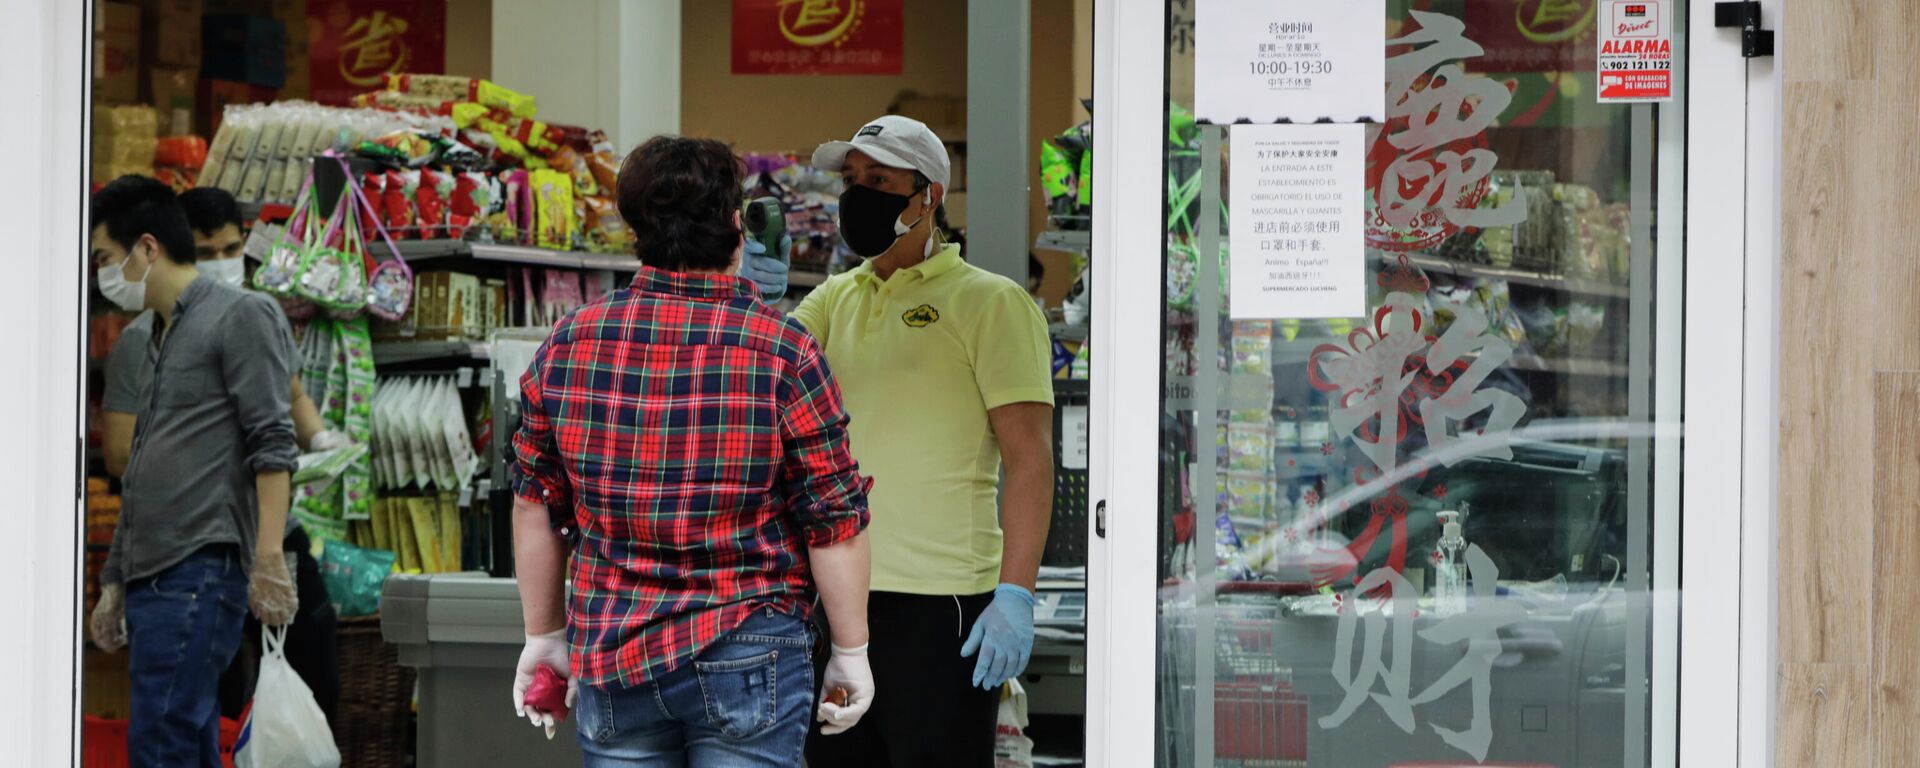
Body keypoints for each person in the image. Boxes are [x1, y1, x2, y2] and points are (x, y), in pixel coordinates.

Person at [509, 135, 876, 767]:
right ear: (738, 225)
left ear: (634, 228)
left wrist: (543, 636)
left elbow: (537, 504)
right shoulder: (782, 348)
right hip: (749, 644)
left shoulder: (567, 343)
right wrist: (851, 650)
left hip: (613, 646)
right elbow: (832, 520)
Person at [797, 115, 1057, 766]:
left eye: (878, 180)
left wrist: (1015, 593)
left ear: (928, 196)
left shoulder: (992, 304)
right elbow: (759, 373)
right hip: (834, 600)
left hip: (941, 612)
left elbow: (1030, 461)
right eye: (852, 180)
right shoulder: (833, 299)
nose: (858, 195)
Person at [86, 175, 300, 767]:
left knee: (163, 738)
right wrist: (115, 577)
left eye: (105, 257)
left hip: (198, 569)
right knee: (184, 737)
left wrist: (268, 557)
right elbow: (147, 464)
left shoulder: (242, 315)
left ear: (147, 248)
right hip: (156, 573)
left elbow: (273, 442)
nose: (102, 272)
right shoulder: (157, 333)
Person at [118, 187, 340, 727]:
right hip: (192, 548)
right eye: (207, 250)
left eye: (230, 248)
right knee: (199, 704)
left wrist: (320, 441)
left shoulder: (253, 315)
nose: (222, 263)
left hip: (270, 534)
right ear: (175, 249)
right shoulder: (139, 341)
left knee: (310, 678)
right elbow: (125, 452)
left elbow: (287, 399)